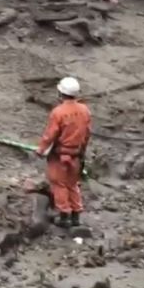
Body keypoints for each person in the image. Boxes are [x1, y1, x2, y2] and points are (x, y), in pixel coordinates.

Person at [36, 77, 91, 228]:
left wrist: (41, 149)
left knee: (59, 184)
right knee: (73, 184)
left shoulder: (58, 112)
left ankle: (64, 216)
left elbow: (50, 134)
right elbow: (87, 133)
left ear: (60, 92)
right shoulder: (84, 110)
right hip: (76, 155)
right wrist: (82, 151)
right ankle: (76, 215)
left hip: (60, 155)